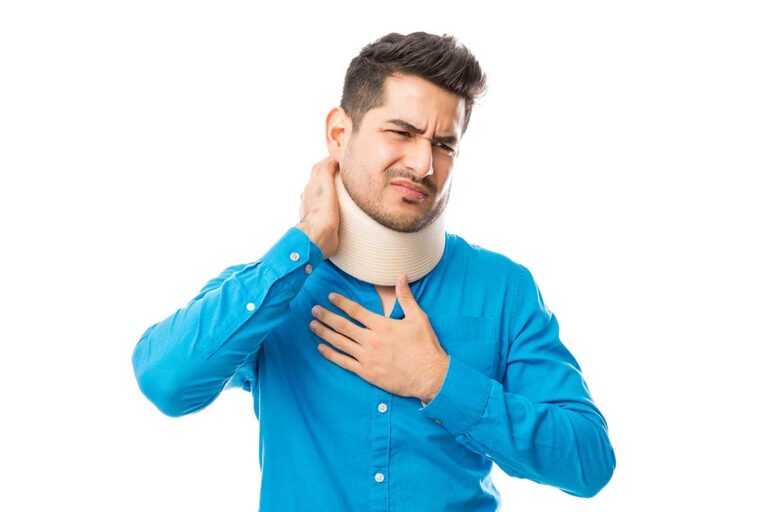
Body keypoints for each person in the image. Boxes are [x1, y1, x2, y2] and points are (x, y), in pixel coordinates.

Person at [132, 31, 616, 510]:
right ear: (340, 134)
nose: (424, 163)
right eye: (401, 133)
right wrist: (303, 244)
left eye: (444, 145)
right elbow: (166, 382)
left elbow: (588, 462)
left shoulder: (504, 289)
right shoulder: (276, 286)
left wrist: (439, 380)